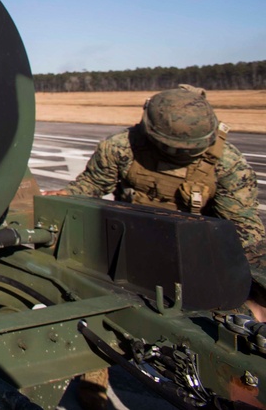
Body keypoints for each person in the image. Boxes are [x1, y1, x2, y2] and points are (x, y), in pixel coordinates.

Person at [55, 84, 266, 409]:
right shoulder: (121, 148)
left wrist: (247, 295)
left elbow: (245, 237)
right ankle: (93, 390)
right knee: (94, 315)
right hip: (128, 249)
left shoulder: (225, 163)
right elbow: (88, 190)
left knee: (227, 333)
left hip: (196, 257)